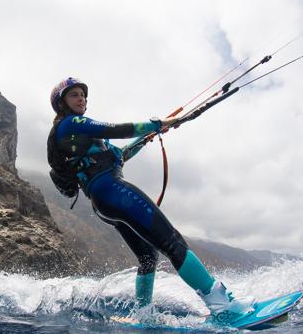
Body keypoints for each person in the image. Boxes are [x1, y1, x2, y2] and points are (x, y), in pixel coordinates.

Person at [46, 77, 255, 322]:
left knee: (148, 257)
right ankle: (223, 306)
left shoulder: (78, 139)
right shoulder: (72, 123)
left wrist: (147, 137)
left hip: (102, 202)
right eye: (74, 95)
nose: (81, 98)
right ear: (62, 104)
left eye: (82, 94)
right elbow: (116, 129)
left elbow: (118, 156)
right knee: (173, 242)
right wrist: (155, 124)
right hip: (112, 191)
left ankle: (143, 313)